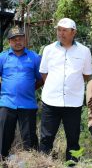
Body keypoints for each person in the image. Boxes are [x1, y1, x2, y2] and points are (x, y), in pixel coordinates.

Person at [39, 18, 92, 162]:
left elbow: (86, 75)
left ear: (73, 32)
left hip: (73, 102)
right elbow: (44, 73)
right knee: (46, 138)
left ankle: (72, 165)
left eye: (64, 30)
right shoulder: (48, 49)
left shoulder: (84, 51)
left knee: (73, 139)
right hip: (50, 101)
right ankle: (43, 164)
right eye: (59, 30)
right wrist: (54, 85)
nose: (60, 33)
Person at [0, 26, 43, 159]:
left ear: (24, 40)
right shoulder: (2, 57)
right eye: (14, 39)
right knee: (3, 138)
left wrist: (29, 89)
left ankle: (32, 163)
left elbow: (41, 79)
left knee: (29, 140)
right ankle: (2, 161)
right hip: (7, 104)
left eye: (20, 39)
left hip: (28, 105)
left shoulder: (35, 57)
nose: (17, 42)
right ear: (9, 42)